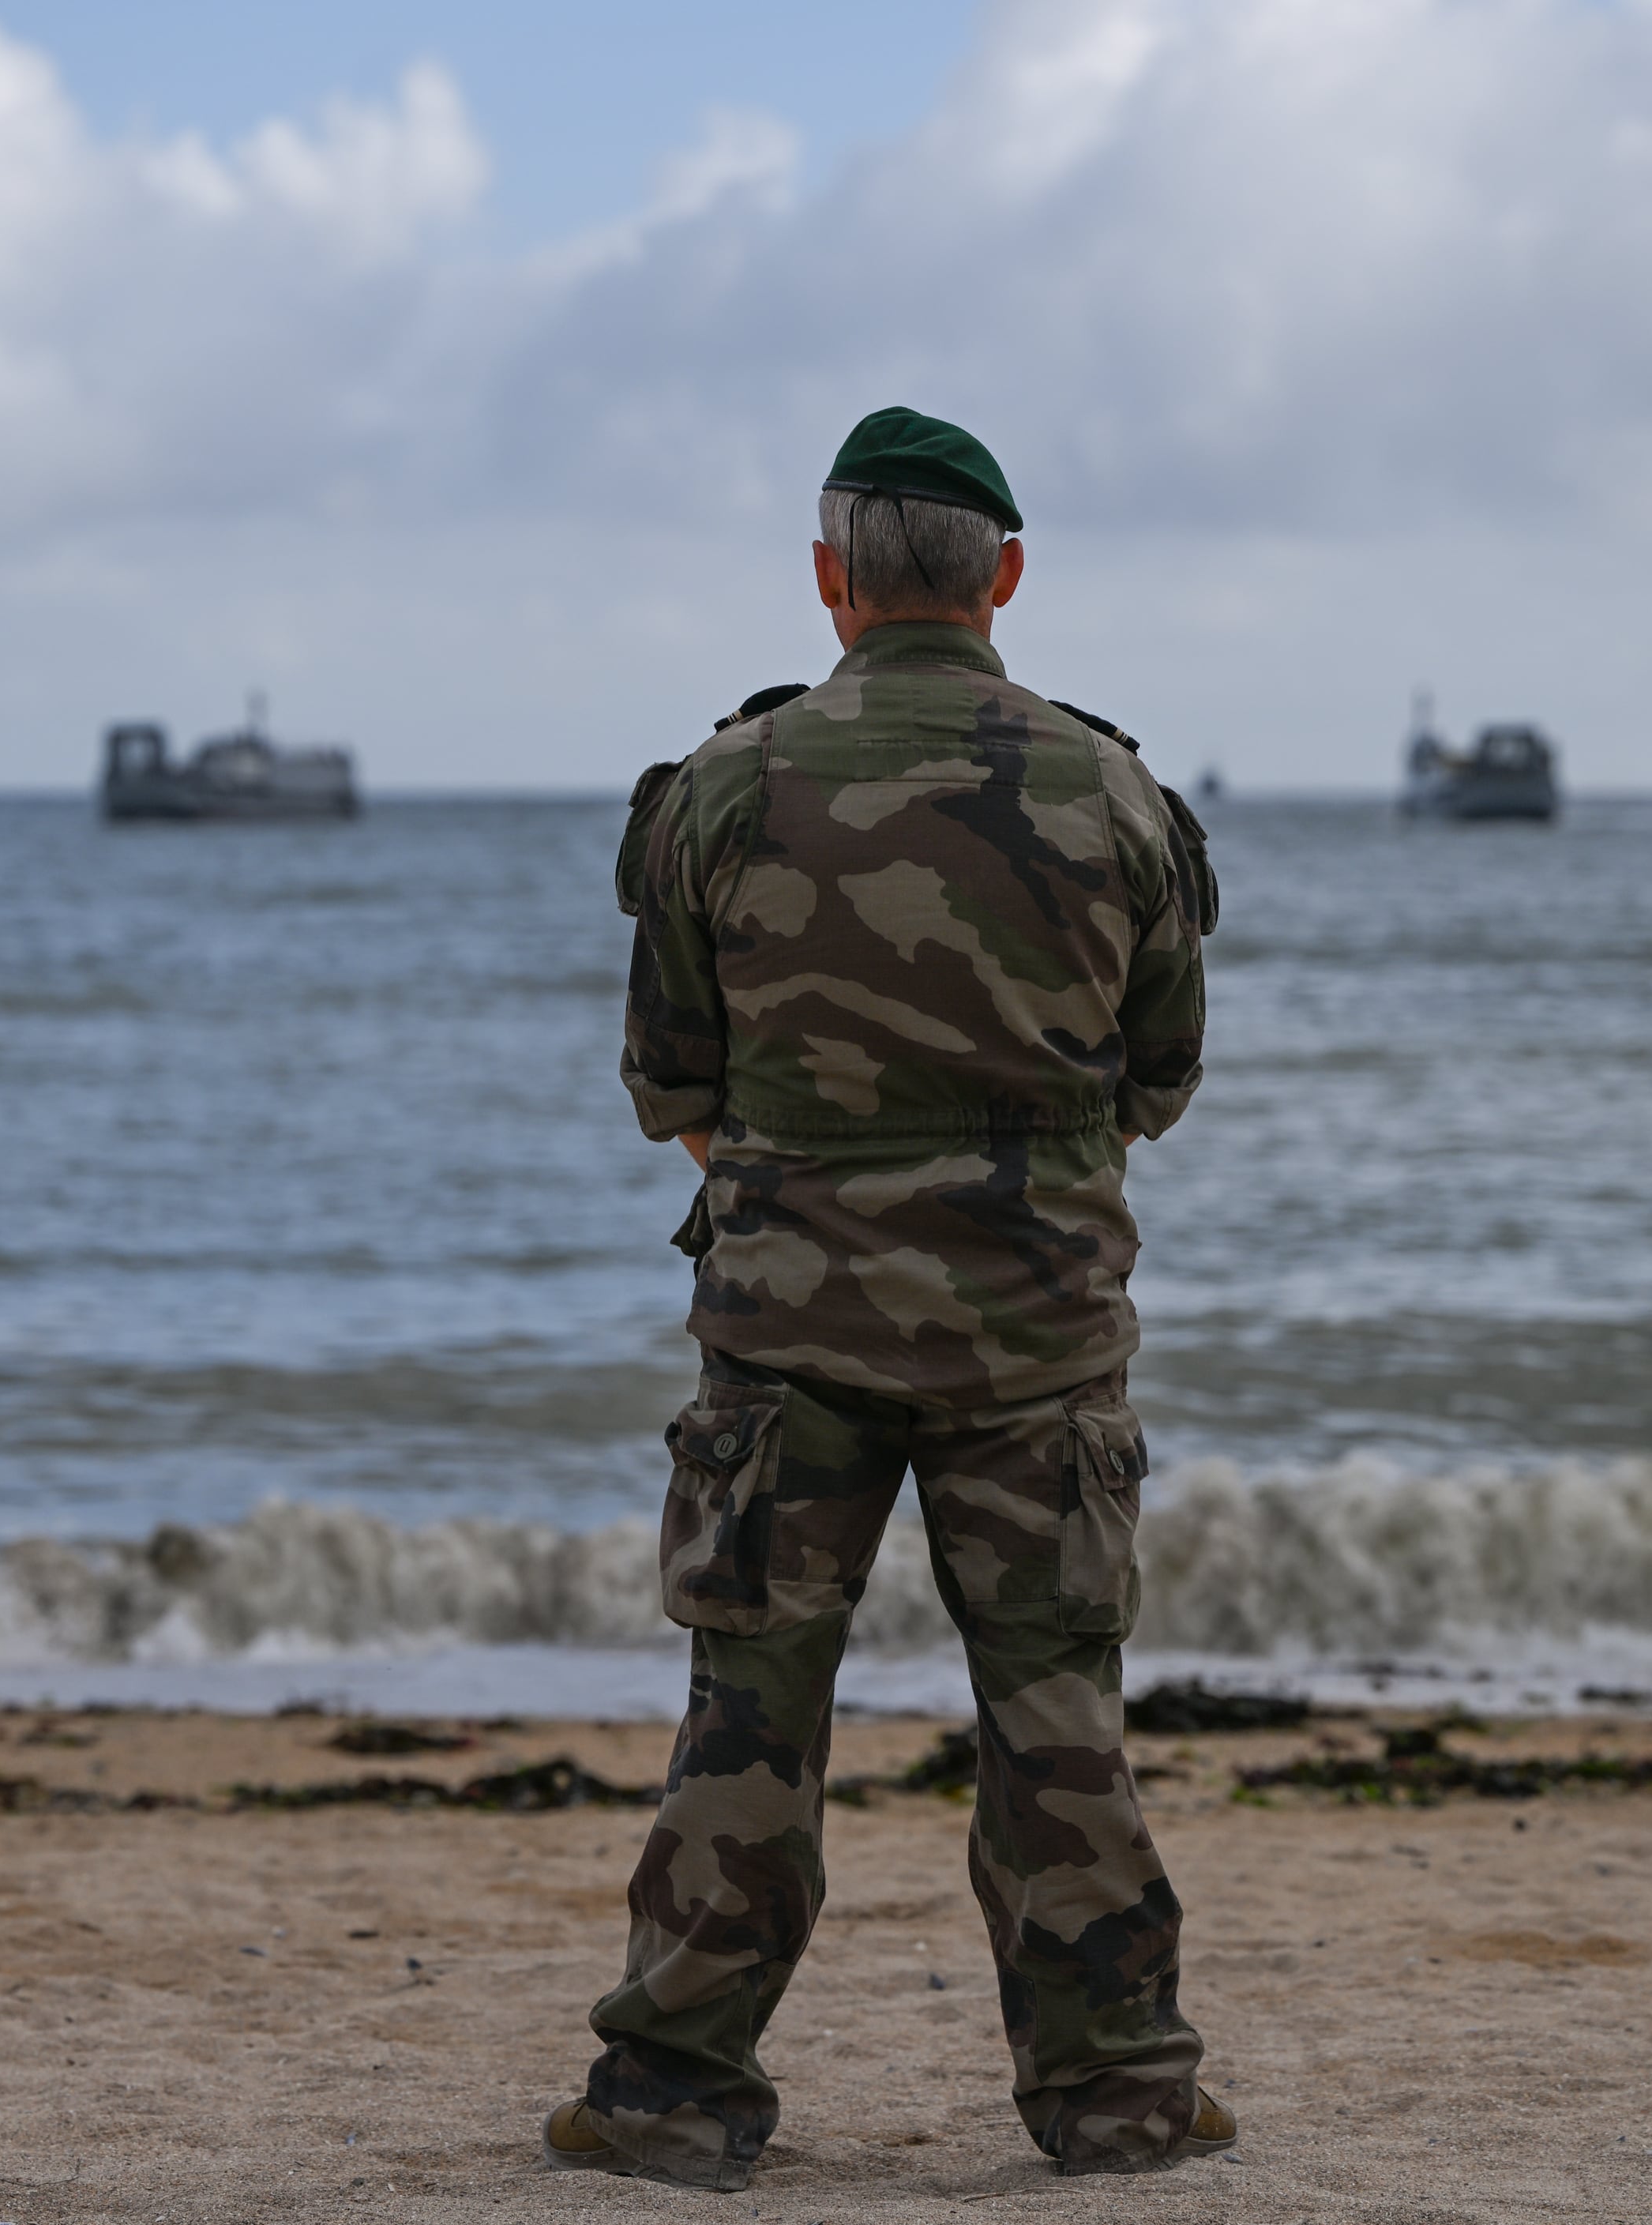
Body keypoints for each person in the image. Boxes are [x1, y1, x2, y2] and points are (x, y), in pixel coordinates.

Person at [543, 407, 1230, 2188]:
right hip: (1038, 1331)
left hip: (785, 1335)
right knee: (1057, 1709)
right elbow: (1157, 1075)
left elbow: (667, 1076)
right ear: (1000, 579)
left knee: (750, 1714)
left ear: (830, 580)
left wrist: (810, 1188)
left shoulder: (726, 784)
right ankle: (1117, 2095)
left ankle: (673, 2092)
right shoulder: (1109, 790)